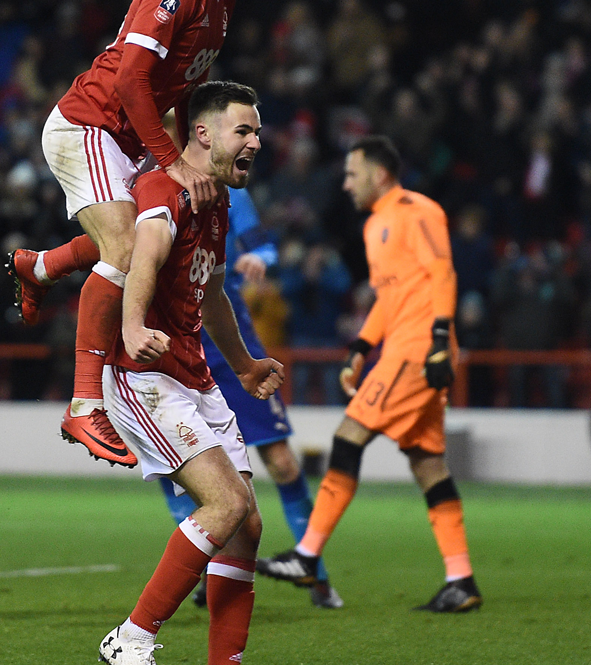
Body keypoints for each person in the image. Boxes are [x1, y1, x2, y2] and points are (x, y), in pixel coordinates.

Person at [7, 0, 269, 467]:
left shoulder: (221, 2)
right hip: (89, 124)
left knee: (151, 235)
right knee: (126, 248)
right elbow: (129, 78)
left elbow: (177, 92)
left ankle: (39, 266)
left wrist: (178, 161)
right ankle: (82, 406)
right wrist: (177, 163)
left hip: (129, 140)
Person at [97, 80, 284, 665]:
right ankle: (130, 638)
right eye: (244, 130)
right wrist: (131, 327)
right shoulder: (163, 191)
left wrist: (245, 365)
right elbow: (143, 258)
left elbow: (213, 293)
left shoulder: (218, 200)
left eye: (258, 130)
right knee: (226, 505)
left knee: (246, 526)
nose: (257, 140)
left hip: (195, 376)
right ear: (203, 133)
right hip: (145, 375)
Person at [258, 135, 483, 613]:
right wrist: (360, 347)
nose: (344, 184)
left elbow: (442, 272)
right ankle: (461, 579)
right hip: (401, 345)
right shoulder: (375, 224)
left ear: (379, 174)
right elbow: (390, 297)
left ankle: (307, 554)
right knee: (427, 462)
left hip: (420, 347)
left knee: (349, 435)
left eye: (352, 174)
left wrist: (441, 339)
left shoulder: (416, 210)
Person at [158, 186, 342, 610]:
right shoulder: (144, 181)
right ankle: (207, 568)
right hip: (172, 335)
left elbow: (263, 244)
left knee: (280, 459)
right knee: (176, 468)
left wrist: (261, 257)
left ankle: (314, 567)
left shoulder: (222, 191)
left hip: (226, 331)